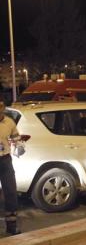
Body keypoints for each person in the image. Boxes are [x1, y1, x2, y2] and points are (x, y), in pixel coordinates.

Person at [0, 101, 21, 235]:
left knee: (11, 192)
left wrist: (19, 145)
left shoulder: (9, 122)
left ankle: (11, 225)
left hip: (5, 160)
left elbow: (16, 137)